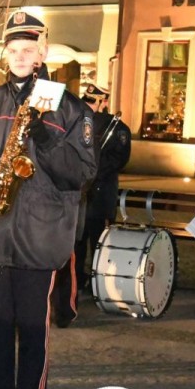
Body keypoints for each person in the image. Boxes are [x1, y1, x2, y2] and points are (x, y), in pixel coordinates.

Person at [0, 11, 97, 389]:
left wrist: (45, 138)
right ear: (5, 54)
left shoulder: (69, 108)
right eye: (13, 49)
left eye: (28, 49)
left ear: (41, 53)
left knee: (32, 331)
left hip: (39, 236)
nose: (20, 56)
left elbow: (81, 172)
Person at [51, 82, 130, 326]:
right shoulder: (74, 122)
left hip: (100, 192)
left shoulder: (116, 127)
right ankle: (76, 288)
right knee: (76, 246)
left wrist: (95, 174)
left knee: (99, 244)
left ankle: (99, 285)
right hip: (76, 195)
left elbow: (119, 158)